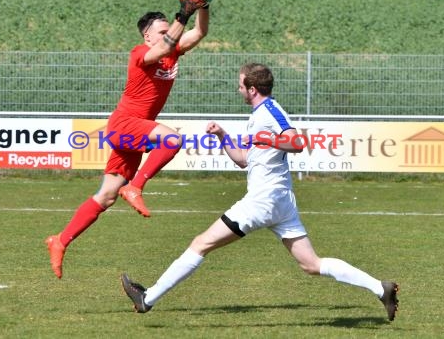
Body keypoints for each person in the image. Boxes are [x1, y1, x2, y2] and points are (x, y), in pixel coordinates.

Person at [121, 63, 400, 321]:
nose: (238, 89)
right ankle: (381, 288)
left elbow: (297, 142)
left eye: (240, 85)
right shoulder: (258, 116)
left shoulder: (270, 112)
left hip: (263, 200)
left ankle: (148, 298)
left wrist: (270, 138)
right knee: (311, 264)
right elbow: (244, 160)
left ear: (252, 89)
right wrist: (222, 136)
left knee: (200, 244)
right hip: (280, 203)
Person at [45, 0, 212, 279]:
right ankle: (135, 186)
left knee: (107, 195)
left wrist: (203, 6)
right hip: (125, 123)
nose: (167, 35)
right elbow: (163, 46)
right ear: (147, 36)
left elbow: (199, 34)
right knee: (173, 139)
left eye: (167, 30)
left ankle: (60, 240)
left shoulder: (173, 52)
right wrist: (181, 15)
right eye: (161, 31)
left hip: (133, 132)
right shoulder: (141, 52)